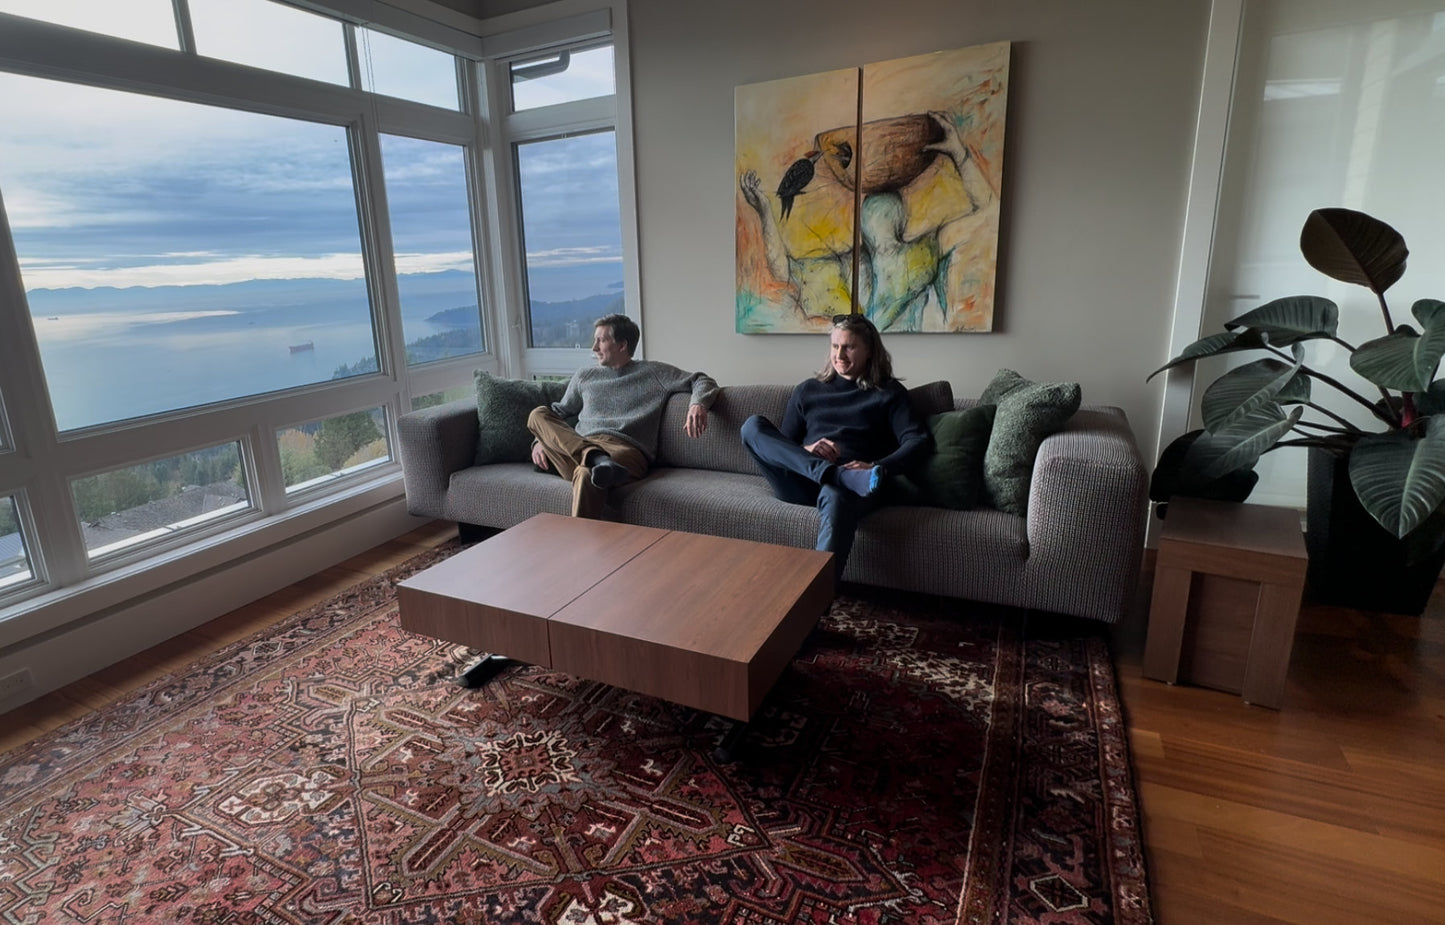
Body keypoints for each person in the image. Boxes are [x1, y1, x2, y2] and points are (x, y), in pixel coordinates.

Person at [740, 313, 930, 577]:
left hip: (853, 486)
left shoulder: (889, 393)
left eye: (849, 347)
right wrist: (808, 451)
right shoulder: (807, 390)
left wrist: (876, 467)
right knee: (752, 425)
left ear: (869, 351)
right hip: (802, 479)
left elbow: (917, 440)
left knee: (835, 493)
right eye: (835, 346)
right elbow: (784, 444)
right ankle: (835, 474)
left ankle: (815, 599)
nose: (839, 355)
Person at [527, 313, 719, 519]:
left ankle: (580, 546)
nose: (594, 348)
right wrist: (541, 440)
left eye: (601, 340)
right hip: (579, 446)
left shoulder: (652, 373)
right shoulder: (585, 376)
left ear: (622, 345)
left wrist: (697, 404)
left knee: (586, 474)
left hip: (625, 451)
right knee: (537, 414)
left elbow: (701, 380)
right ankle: (596, 457)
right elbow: (558, 413)